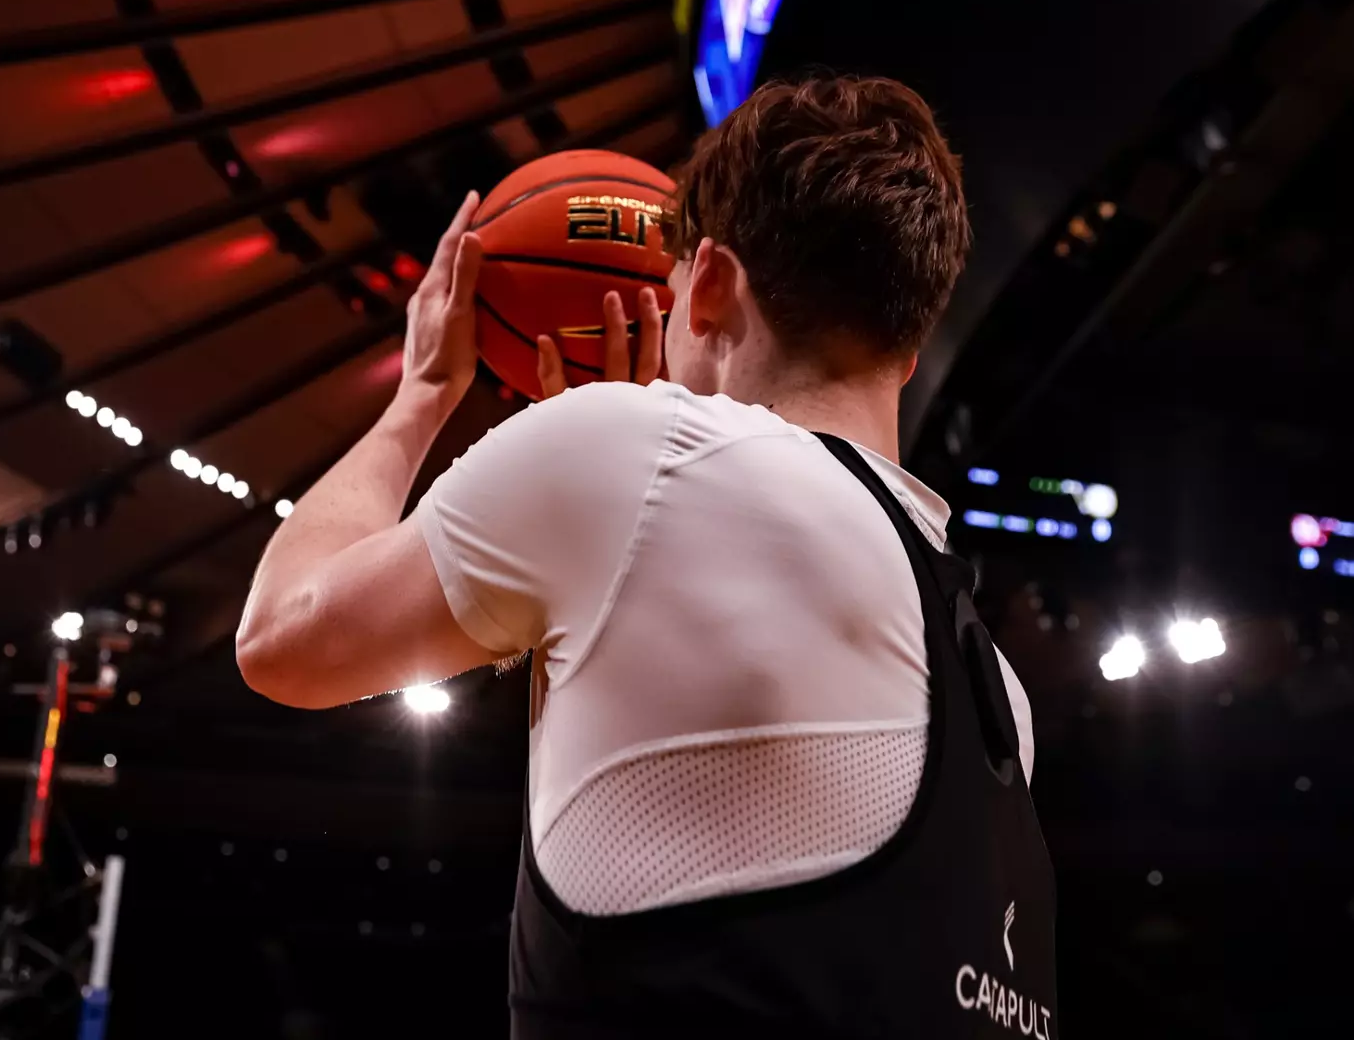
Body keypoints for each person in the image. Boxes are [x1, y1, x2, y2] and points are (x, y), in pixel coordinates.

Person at [236, 76, 1058, 1038]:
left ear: (707, 284)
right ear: (909, 349)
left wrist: (422, 393)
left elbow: (283, 638)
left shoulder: (640, 455)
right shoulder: (999, 689)